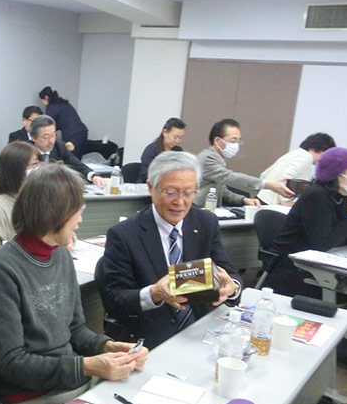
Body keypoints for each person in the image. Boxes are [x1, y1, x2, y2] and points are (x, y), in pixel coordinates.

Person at [0, 164, 148, 404]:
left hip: (74, 383)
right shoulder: (0, 270)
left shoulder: (61, 256)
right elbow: (11, 363)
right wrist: (89, 366)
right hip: (28, 401)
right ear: (53, 214)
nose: (80, 220)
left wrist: (107, 346)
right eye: (77, 211)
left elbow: (75, 330)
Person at [96, 152, 242, 349]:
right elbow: (116, 300)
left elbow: (226, 270)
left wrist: (232, 287)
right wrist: (154, 293)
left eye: (188, 193)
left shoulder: (205, 222)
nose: (180, 202)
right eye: (171, 192)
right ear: (151, 188)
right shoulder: (124, 234)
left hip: (201, 327)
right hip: (151, 334)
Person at [266, 147, 347, 298]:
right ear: (337, 174)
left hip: (327, 265)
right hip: (294, 268)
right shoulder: (316, 195)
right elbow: (321, 244)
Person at [195, 118, 294, 207]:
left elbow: (223, 191)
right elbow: (230, 177)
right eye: (233, 141)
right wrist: (266, 184)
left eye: (238, 141)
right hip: (196, 209)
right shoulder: (208, 158)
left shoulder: (218, 159)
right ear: (217, 140)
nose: (236, 145)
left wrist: (244, 199)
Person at [0, 141, 40, 259]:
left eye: (38, 165)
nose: (37, 170)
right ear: (16, 170)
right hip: (6, 270)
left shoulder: (38, 200)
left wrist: (69, 240)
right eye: (33, 165)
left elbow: (62, 233)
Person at [257, 132, 336, 205]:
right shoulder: (306, 157)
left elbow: (264, 174)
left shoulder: (294, 153)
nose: (325, 160)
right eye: (324, 155)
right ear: (312, 148)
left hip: (261, 198)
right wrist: (285, 201)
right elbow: (286, 177)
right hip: (271, 204)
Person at [30, 115, 105, 188]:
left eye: (53, 135)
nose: (51, 141)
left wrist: (94, 176)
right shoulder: (25, 152)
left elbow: (78, 165)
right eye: (46, 137)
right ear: (33, 137)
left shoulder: (59, 146)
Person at [39, 86, 88, 159]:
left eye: (42, 100)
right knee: (77, 160)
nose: (42, 102)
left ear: (46, 97)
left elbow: (48, 124)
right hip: (82, 132)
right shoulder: (64, 103)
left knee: (70, 160)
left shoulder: (51, 107)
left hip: (72, 136)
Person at [138, 117, 186, 183]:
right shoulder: (151, 150)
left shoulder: (178, 151)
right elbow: (146, 174)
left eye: (180, 138)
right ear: (165, 132)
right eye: (175, 137)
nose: (177, 141)